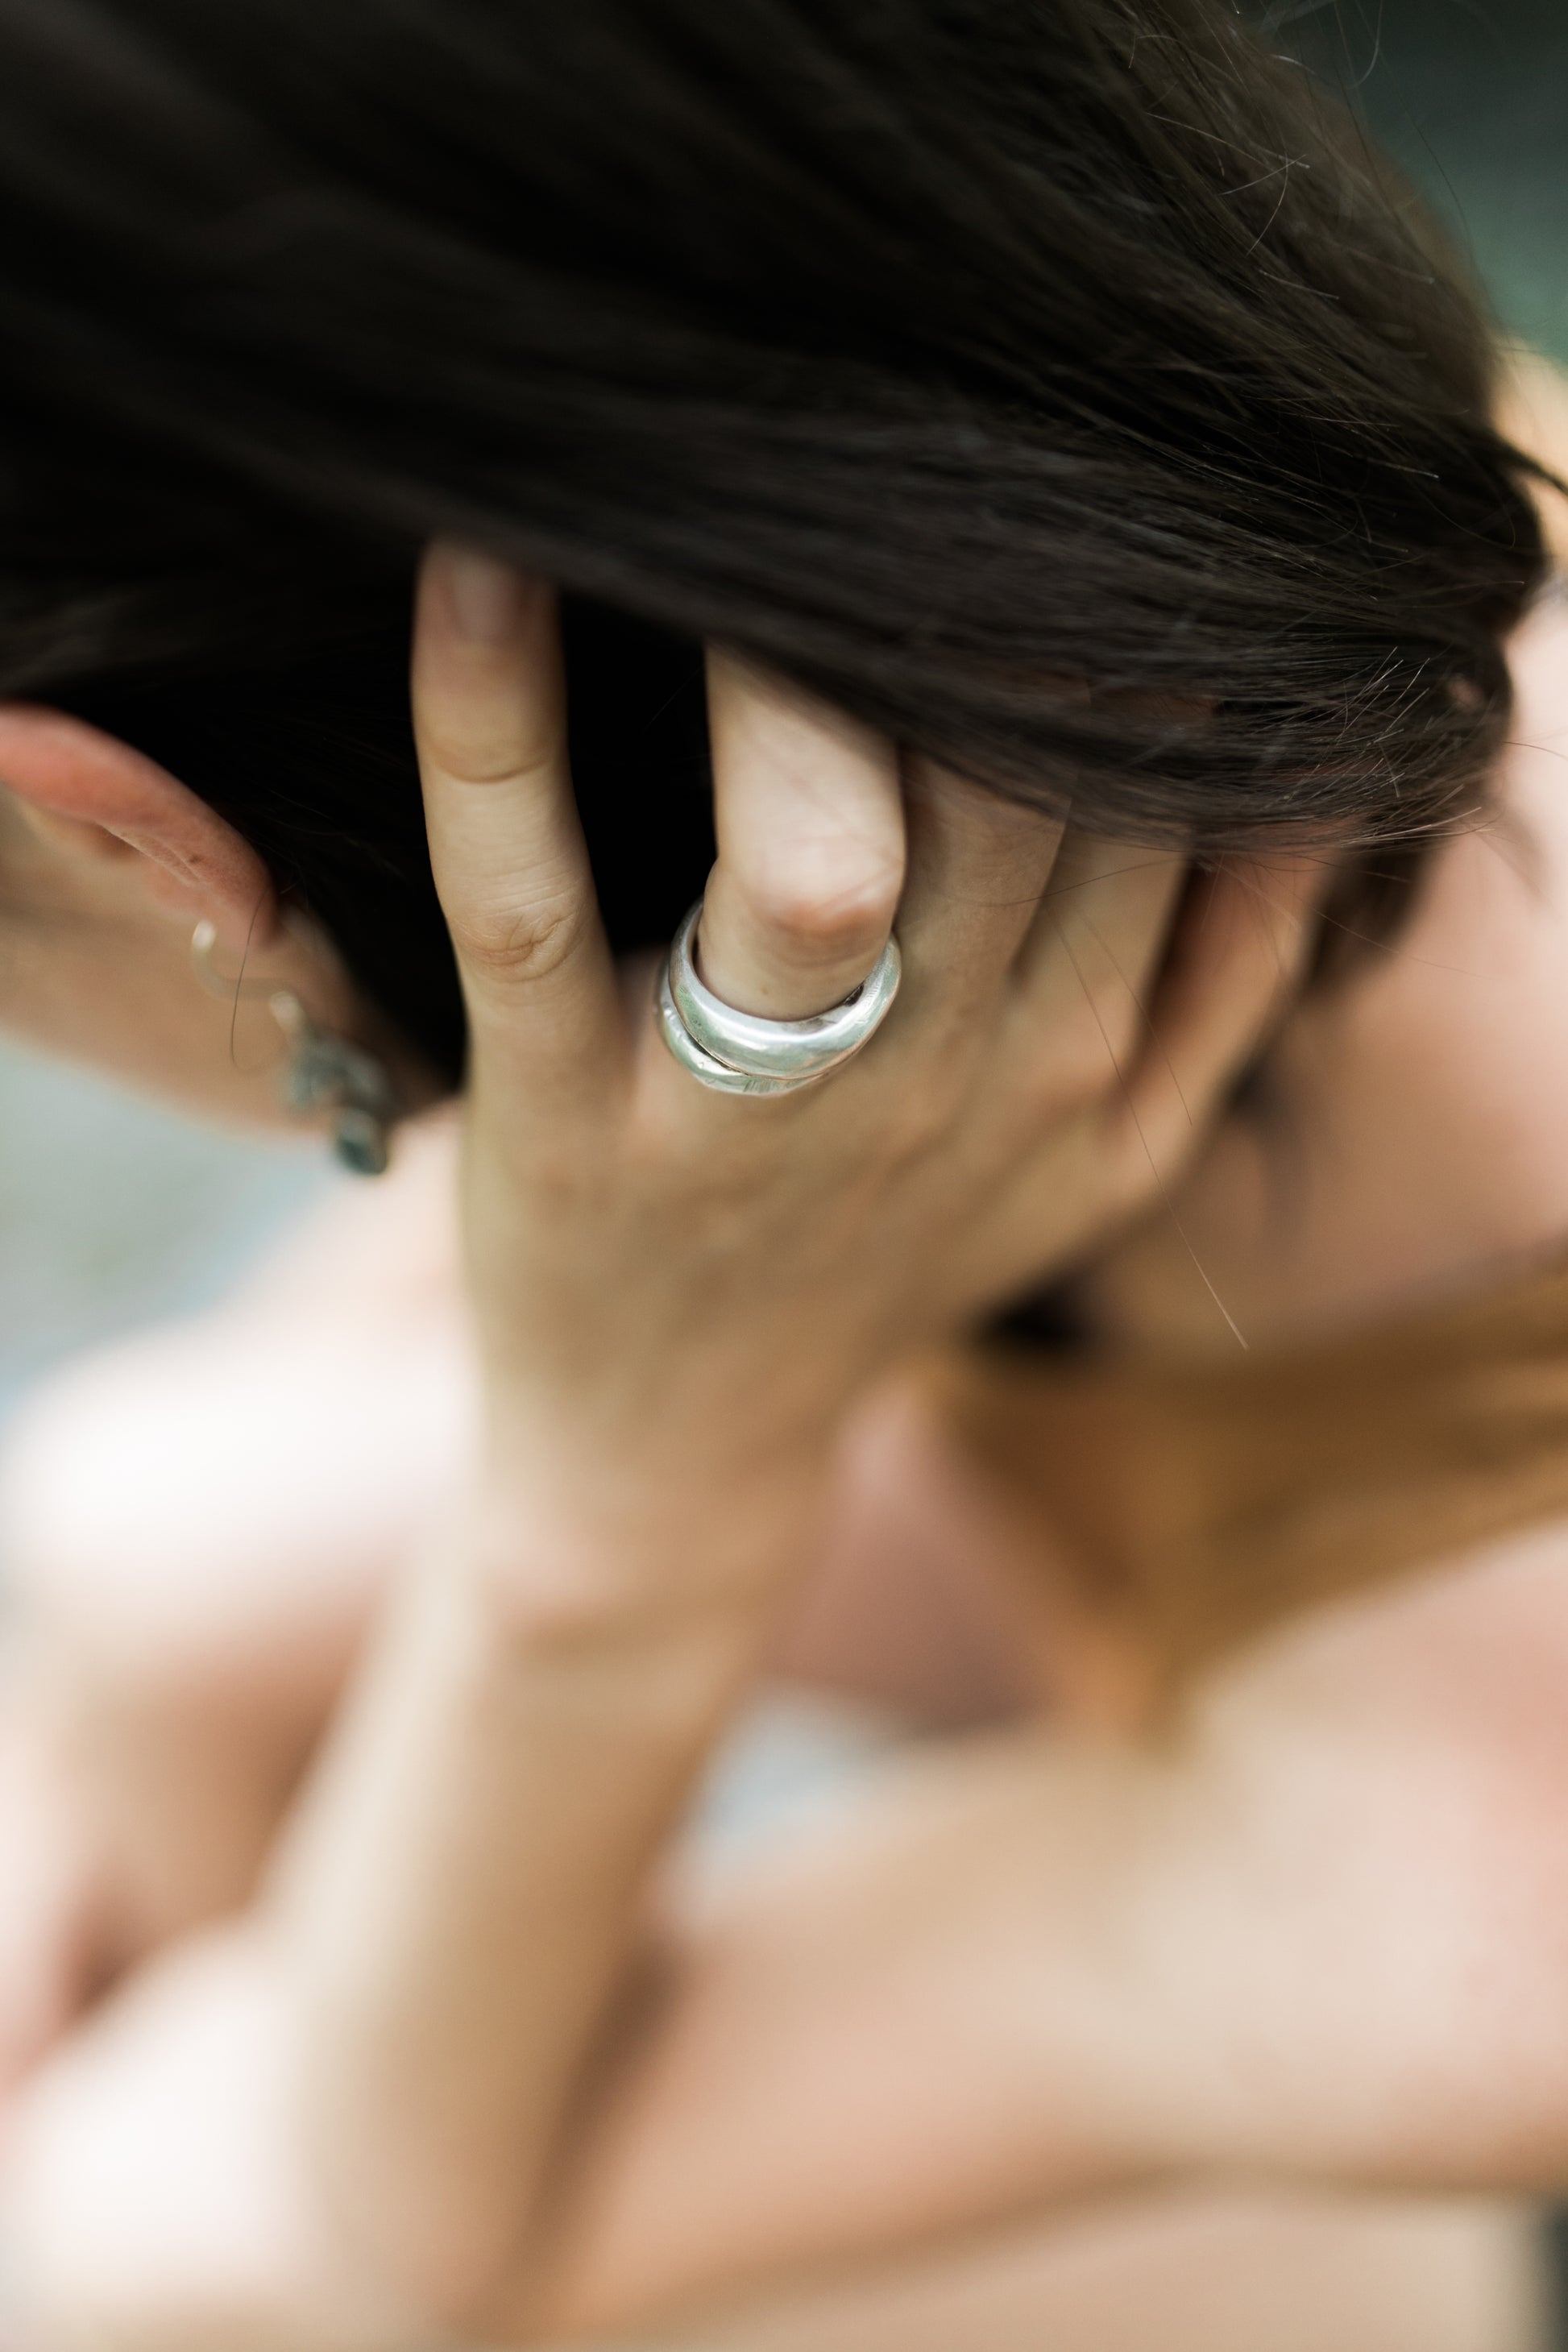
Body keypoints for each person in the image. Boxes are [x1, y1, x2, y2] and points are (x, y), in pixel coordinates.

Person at [0, 0, 1560, 2344]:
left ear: (108, 838)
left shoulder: (1448, 1861)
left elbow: (204, 2257)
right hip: (1332, 1367)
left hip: (1395, 1822)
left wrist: (626, 1500)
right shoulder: (1249, 452)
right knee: (144, 1555)